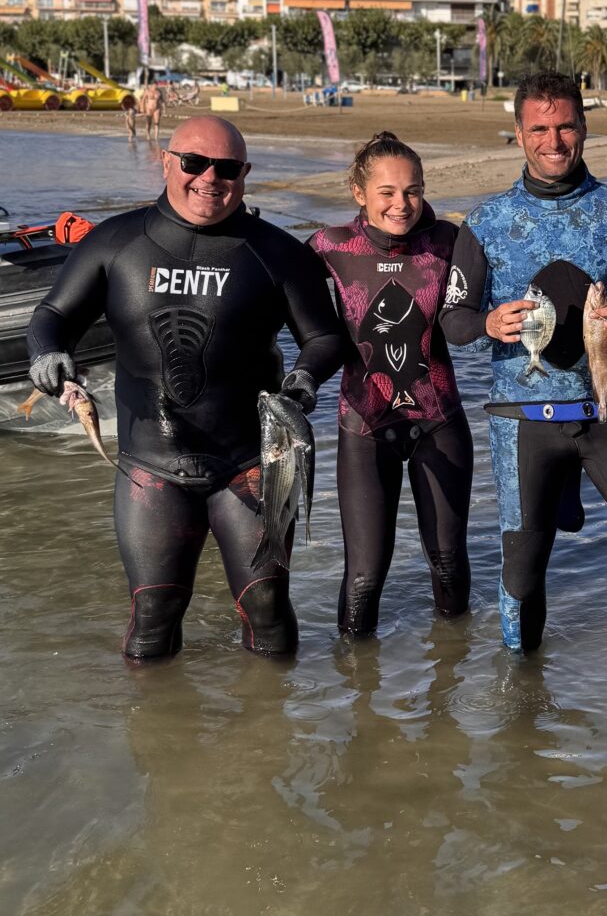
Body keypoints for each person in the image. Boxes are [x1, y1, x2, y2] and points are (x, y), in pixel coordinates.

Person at [26, 114, 346, 660]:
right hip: (150, 467)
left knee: (267, 608)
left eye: (227, 168)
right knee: (154, 616)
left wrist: (303, 382)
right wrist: (48, 353)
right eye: (194, 163)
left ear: (245, 174)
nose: (209, 178)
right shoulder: (115, 241)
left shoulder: (277, 252)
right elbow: (53, 315)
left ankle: (274, 715)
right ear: (166, 162)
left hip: (252, 462)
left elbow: (324, 337)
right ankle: (153, 718)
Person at [440, 71, 607, 653]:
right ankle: (520, 695)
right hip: (523, 419)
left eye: (565, 127)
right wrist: (487, 323)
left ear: (583, 127)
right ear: (518, 133)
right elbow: (453, 320)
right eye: (539, 129)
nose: (553, 141)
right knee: (522, 573)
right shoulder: (485, 222)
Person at [310, 131, 472, 635]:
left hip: (439, 419)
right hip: (365, 425)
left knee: (448, 563)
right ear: (358, 192)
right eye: (387, 192)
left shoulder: (447, 242)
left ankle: (453, 668)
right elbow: (270, 293)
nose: (401, 204)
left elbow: (487, 299)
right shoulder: (330, 246)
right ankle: (357, 680)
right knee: (363, 580)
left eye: (412, 191)